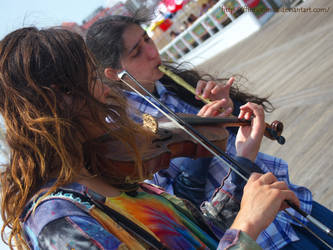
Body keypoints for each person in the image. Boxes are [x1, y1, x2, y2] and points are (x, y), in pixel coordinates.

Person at [0, 27, 299, 250]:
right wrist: (247, 226)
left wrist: (243, 166)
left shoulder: (100, 172)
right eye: (92, 78)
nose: (107, 91)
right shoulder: (58, 223)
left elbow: (198, 235)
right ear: (59, 101)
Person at [85, 15, 333, 249]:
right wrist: (199, 140)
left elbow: (233, 146)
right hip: (257, 234)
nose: (152, 52)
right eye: (137, 52)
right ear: (113, 74)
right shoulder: (126, 132)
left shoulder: (171, 87)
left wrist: (231, 110)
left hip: (284, 198)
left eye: (147, 39)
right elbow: (179, 204)